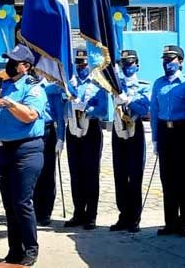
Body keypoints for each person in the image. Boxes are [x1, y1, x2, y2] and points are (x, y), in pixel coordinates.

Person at [0, 44, 46, 266]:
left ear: (25, 66)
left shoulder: (33, 86)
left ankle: (30, 249)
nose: (9, 65)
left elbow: (30, 115)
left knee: (22, 202)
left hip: (26, 151)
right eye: (8, 60)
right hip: (2, 150)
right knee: (9, 204)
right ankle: (14, 250)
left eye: (14, 62)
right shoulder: (3, 85)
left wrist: (10, 103)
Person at [150, 45, 185, 237]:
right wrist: (155, 139)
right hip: (165, 132)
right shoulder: (158, 84)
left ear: (180, 61)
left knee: (183, 178)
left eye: (171, 59)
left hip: (182, 131)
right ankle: (170, 221)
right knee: (167, 178)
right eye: (165, 59)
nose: (167, 62)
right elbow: (154, 111)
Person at [65, 48, 110, 230]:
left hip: (91, 128)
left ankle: (91, 215)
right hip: (73, 128)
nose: (81, 67)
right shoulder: (70, 84)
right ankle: (78, 213)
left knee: (90, 173)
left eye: (84, 64)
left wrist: (87, 108)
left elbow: (104, 111)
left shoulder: (98, 84)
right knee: (75, 173)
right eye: (78, 64)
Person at [110, 49, 151, 233]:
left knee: (134, 175)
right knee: (119, 174)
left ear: (137, 65)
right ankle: (123, 215)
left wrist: (129, 101)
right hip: (118, 129)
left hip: (135, 130)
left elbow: (145, 110)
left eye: (130, 63)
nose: (127, 67)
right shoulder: (115, 85)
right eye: (123, 64)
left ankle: (134, 217)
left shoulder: (144, 86)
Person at [33, 79, 67, 226]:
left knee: (47, 173)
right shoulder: (28, 85)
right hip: (32, 132)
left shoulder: (52, 88)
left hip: (47, 131)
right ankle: (32, 210)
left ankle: (45, 212)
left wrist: (60, 138)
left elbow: (59, 115)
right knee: (32, 172)